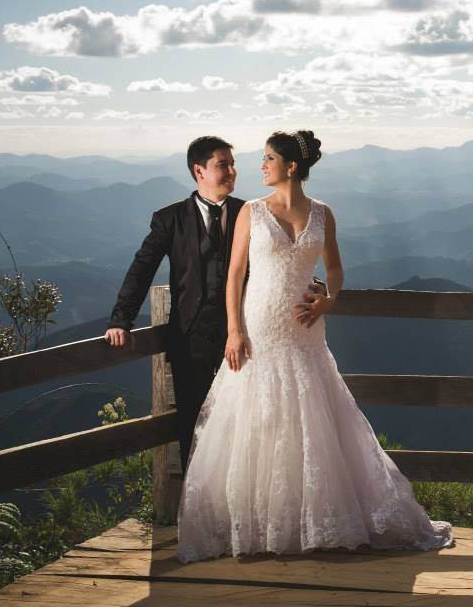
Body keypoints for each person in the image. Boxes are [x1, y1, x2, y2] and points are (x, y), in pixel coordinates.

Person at [175, 130, 452, 563]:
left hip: (305, 332)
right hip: (259, 330)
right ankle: (261, 522)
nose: (260, 166)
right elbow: (234, 275)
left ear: (290, 167)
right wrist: (234, 330)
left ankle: (313, 520)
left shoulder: (323, 214)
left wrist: (330, 300)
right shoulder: (251, 211)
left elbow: (336, 267)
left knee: (311, 417)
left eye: (268, 158)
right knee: (260, 419)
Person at [105, 136, 323, 474]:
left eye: (232, 164)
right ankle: (199, 515)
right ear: (199, 170)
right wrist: (121, 319)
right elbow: (141, 269)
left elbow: (285, 259)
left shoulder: (252, 212)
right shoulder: (169, 219)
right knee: (194, 428)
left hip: (249, 340)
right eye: (224, 165)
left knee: (247, 429)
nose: (233, 172)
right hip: (190, 341)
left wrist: (314, 286)